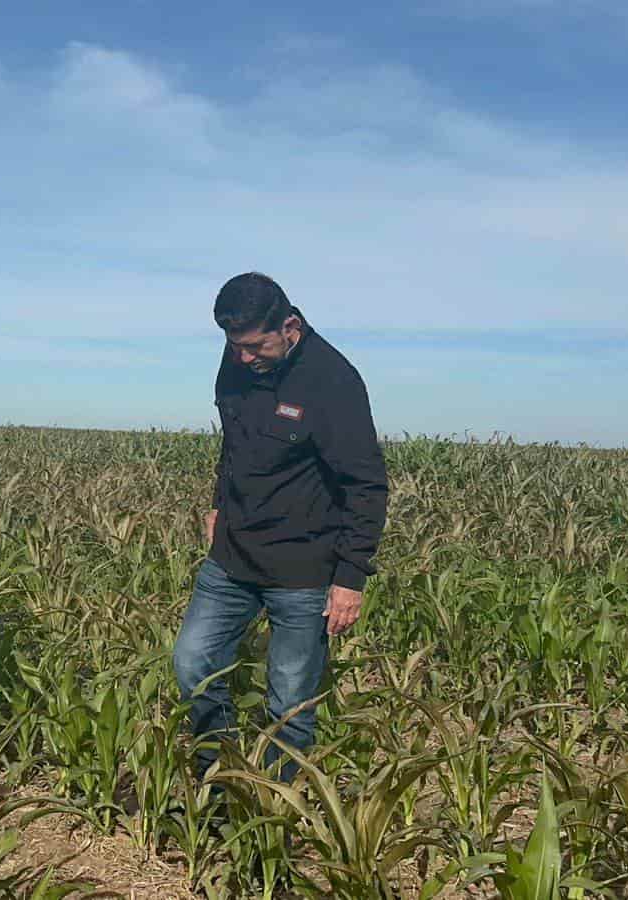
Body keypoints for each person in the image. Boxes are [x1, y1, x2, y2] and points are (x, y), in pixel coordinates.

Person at [173, 273, 390, 778]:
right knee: (192, 664)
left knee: (289, 701)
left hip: (303, 571)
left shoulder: (332, 380)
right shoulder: (236, 362)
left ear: (289, 325)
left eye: (255, 347)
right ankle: (221, 776)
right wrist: (219, 505)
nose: (244, 359)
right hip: (232, 559)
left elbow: (366, 484)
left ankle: (273, 805)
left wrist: (350, 578)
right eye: (234, 347)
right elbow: (234, 444)